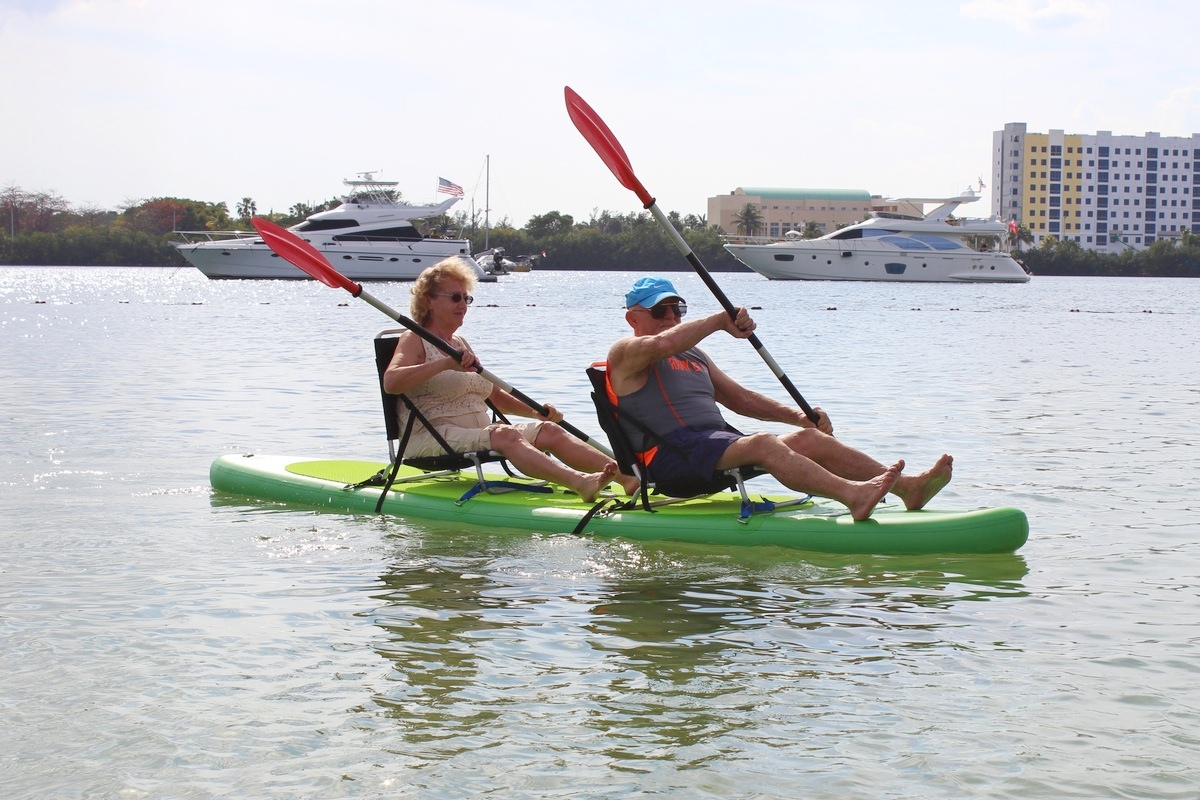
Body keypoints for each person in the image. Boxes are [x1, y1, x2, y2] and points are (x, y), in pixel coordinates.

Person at [604, 276, 953, 521]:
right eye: (659, 311)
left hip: (714, 447)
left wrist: (797, 417)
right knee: (763, 444)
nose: (671, 318)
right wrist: (719, 321)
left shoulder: (695, 355)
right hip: (671, 459)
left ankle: (909, 489)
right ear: (633, 318)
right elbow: (661, 345)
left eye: (677, 310)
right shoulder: (624, 353)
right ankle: (854, 495)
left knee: (808, 437)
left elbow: (740, 398)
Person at [383, 257, 636, 502]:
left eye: (466, 298)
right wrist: (445, 364)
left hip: (479, 432)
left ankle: (628, 478)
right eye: (455, 297)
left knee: (547, 430)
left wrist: (536, 413)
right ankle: (580, 482)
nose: (463, 304)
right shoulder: (413, 338)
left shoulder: (459, 343)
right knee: (504, 434)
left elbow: (492, 396)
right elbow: (391, 382)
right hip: (432, 437)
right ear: (428, 300)